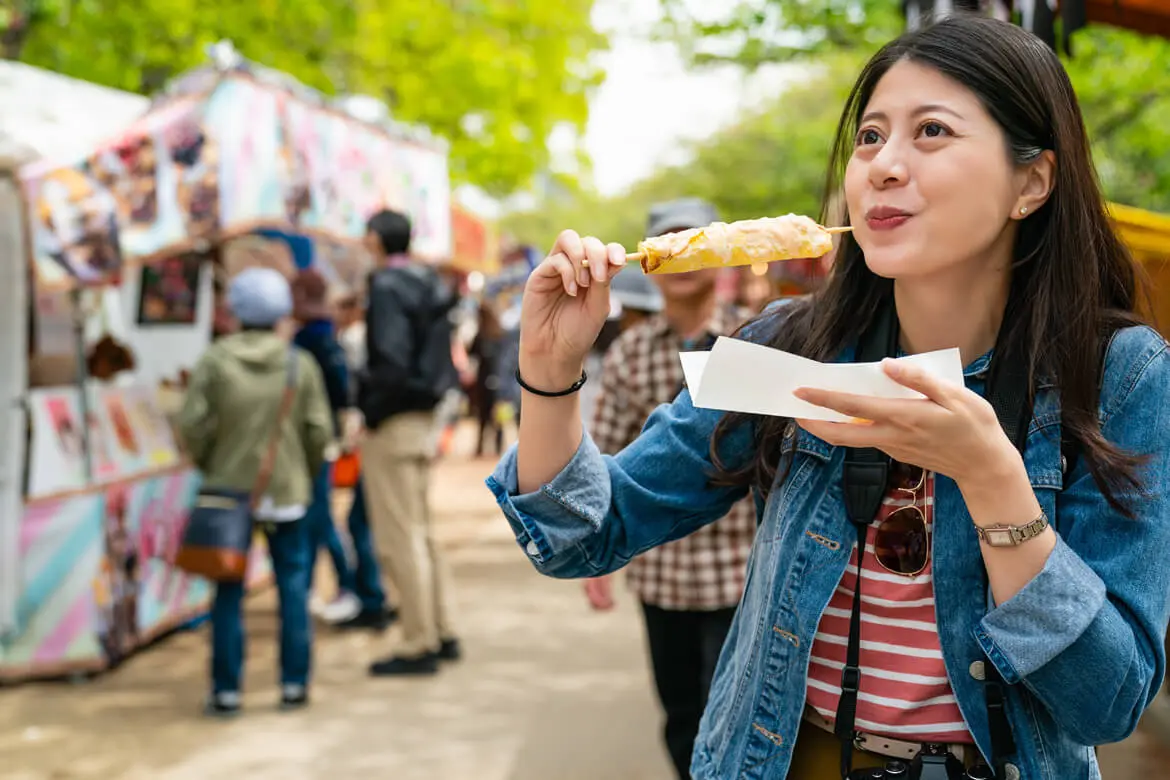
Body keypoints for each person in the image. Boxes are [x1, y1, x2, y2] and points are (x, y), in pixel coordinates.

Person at [486, 15, 1170, 780]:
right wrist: (548, 373)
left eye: (932, 131)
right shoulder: (788, 346)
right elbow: (588, 533)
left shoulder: (1121, 376)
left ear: (1031, 182)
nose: (882, 165)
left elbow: (1110, 702)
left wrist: (992, 481)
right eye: (871, 136)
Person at [582, 200, 757, 779]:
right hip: (661, 573)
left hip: (743, 571)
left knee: (734, 713)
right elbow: (604, 452)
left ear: (723, 253)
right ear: (651, 260)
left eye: (696, 240)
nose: (683, 253)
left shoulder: (756, 339)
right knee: (680, 713)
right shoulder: (631, 351)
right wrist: (597, 558)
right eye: (669, 241)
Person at [178, 267, 332, 716]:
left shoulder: (215, 359)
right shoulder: (297, 363)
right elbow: (319, 430)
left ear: (235, 312)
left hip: (228, 494)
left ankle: (226, 691)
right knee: (293, 588)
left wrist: (214, 463)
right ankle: (293, 685)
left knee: (227, 592)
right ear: (282, 311)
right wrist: (299, 473)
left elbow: (191, 424)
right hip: (288, 494)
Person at [358, 208, 462, 676]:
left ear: (376, 240)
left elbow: (392, 362)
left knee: (401, 537)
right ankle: (441, 629)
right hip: (424, 417)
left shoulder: (386, 286)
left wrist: (370, 411)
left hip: (395, 419)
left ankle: (418, 641)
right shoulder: (430, 283)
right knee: (421, 532)